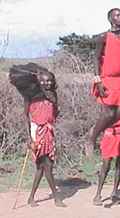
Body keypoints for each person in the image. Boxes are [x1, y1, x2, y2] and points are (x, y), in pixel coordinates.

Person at [9, 63, 66, 207]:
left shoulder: (53, 95)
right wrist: (29, 138)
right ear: (37, 81)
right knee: (47, 165)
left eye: (49, 81)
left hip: (49, 132)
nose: (47, 83)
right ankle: (56, 197)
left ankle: (31, 198)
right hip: (36, 132)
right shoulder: (30, 97)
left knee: (42, 167)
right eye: (43, 81)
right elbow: (26, 117)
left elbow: (55, 113)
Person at [88, 8, 120, 153]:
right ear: (110, 19)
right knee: (108, 113)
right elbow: (96, 58)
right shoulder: (104, 37)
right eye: (117, 15)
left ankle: (99, 129)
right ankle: (92, 136)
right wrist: (98, 80)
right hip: (108, 78)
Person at [92, 115, 120, 206]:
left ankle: (115, 192)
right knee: (106, 165)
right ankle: (98, 194)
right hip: (110, 134)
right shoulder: (109, 103)